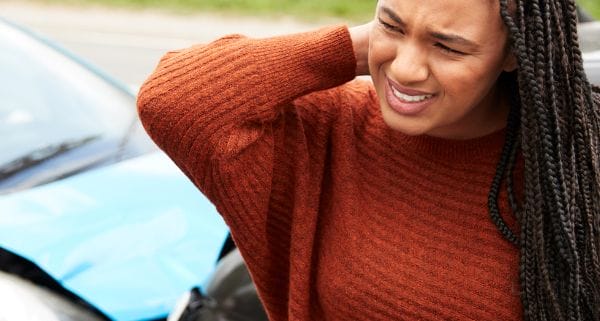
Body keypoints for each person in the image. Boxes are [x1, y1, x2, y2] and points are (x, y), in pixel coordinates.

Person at [137, 0, 600, 319]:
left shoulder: (576, 163)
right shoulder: (331, 128)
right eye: (390, 24)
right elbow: (172, 100)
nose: (405, 69)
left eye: (449, 46)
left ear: (513, 54)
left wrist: (405, 28)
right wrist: (365, 46)